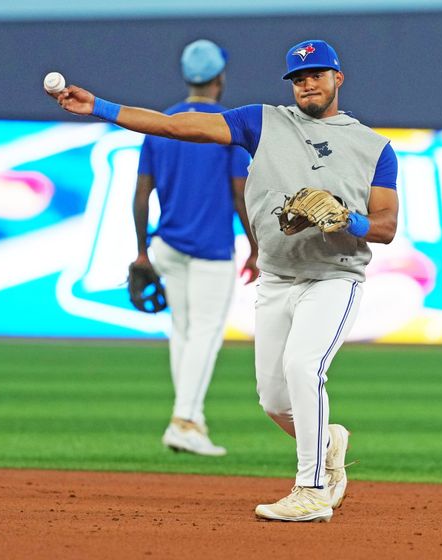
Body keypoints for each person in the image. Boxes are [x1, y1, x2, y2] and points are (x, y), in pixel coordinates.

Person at [51, 38, 399, 523]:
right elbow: (176, 126)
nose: (307, 84)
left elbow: (385, 227)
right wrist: (102, 108)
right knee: (274, 399)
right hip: (277, 278)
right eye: (299, 78)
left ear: (337, 78)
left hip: (333, 278)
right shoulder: (262, 122)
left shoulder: (374, 147)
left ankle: (313, 489)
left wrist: (349, 220)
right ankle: (329, 441)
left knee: (303, 367)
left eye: (316, 75)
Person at [131, 39, 258, 457]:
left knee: (184, 334)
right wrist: (256, 247)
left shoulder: (160, 125)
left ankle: (193, 419)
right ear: (220, 78)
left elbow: (141, 195)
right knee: (204, 335)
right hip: (210, 249)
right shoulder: (227, 127)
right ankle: (183, 421)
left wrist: (142, 251)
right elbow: (240, 195)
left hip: (168, 244)